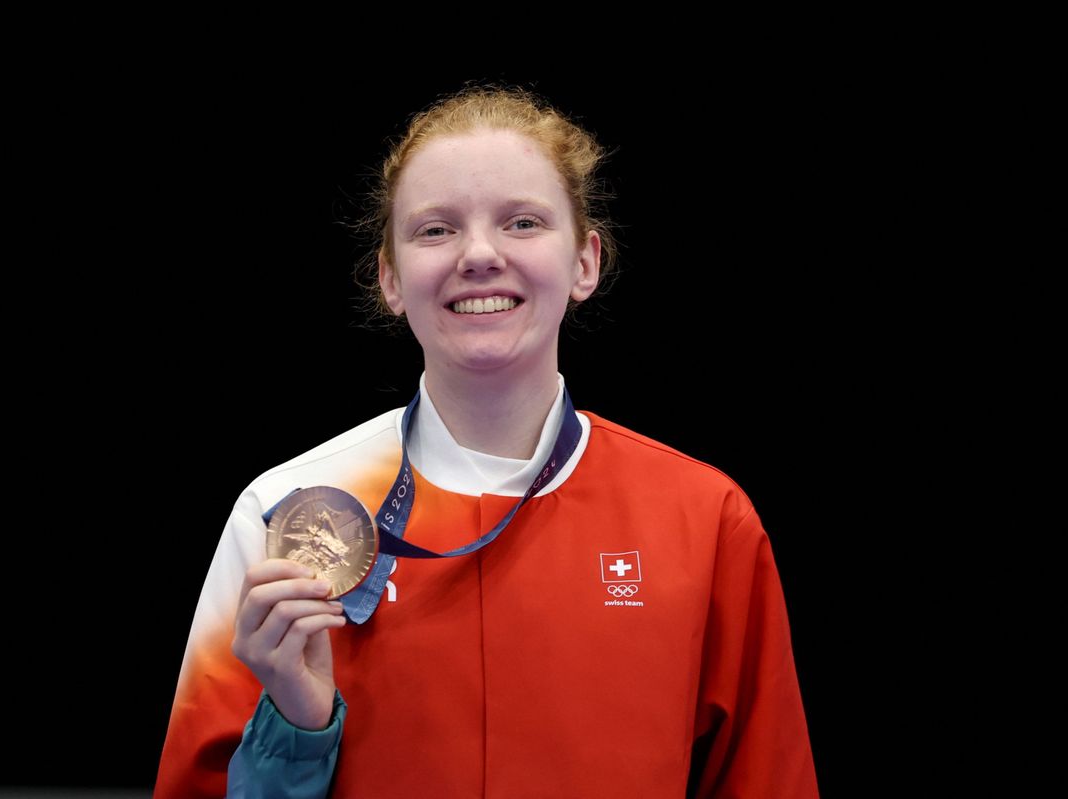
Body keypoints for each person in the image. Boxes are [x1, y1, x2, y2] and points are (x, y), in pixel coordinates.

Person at [154, 85, 819, 798]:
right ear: (390, 277)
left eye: (523, 222)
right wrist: (295, 726)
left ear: (585, 263)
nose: (478, 254)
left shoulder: (706, 518)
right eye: (435, 230)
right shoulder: (284, 512)